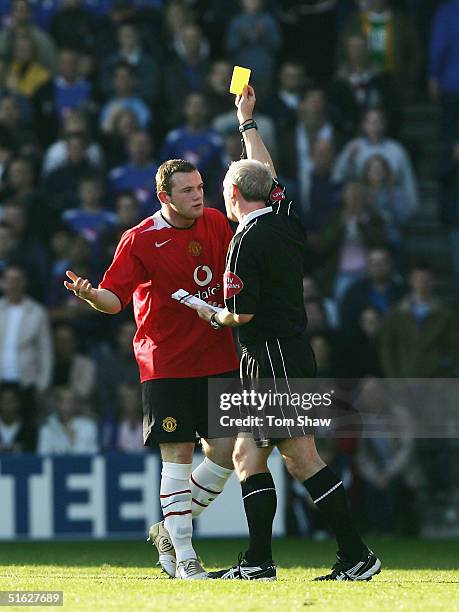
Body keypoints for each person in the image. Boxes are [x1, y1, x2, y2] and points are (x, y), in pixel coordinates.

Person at [189, 85, 381, 581]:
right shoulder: (286, 218)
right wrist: (246, 121)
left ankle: (356, 555)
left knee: (299, 457)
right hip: (284, 352)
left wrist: (206, 311)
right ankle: (258, 561)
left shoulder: (243, 244)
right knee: (246, 454)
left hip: (271, 357)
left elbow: (241, 318)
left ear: (232, 196)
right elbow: (264, 173)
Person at [63, 158, 240, 580]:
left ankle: (167, 527)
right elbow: (113, 298)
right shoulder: (139, 239)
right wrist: (91, 297)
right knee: (177, 456)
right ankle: (184, 556)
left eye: (200, 187)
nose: (198, 195)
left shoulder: (216, 223)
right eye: (188, 191)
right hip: (166, 362)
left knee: (228, 452)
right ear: (165, 197)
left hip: (217, 355)